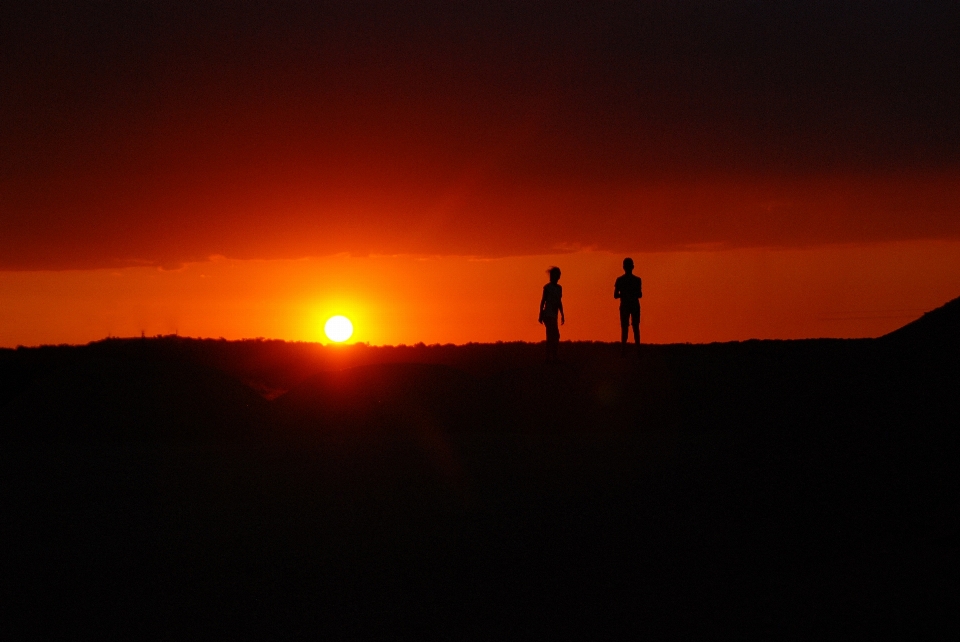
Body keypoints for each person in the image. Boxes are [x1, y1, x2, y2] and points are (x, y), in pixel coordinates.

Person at [614, 257, 642, 356]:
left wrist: (624, 294)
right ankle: (637, 349)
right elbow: (640, 294)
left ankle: (624, 350)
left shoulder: (620, 280)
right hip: (633, 304)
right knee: (635, 327)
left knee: (625, 328)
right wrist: (631, 294)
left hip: (625, 304)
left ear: (623, 267)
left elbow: (615, 295)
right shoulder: (637, 280)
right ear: (633, 267)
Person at [538, 266, 565, 361]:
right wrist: (540, 314)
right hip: (548, 315)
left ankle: (551, 357)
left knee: (553, 336)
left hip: (554, 315)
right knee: (553, 335)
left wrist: (562, 314)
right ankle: (551, 357)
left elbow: (559, 302)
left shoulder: (559, 288)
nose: (558, 277)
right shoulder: (547, 287)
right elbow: (543, 301)